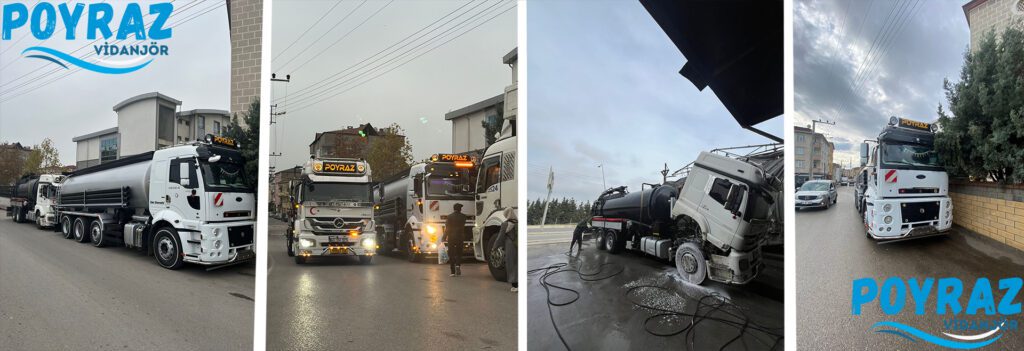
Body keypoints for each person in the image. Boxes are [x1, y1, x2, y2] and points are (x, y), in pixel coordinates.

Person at [494, 207, 518, 292]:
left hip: (510, 246)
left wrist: (495, 247)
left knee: (511, 264)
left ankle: (515, 285)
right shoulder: (518, 222)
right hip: (518, 245)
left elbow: (500, 237)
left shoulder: (505, 224)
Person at [442, 203, 467, 276]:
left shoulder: (449, 217)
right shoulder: (464, 217)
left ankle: (452, 272)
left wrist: (444, 237)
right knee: (459, 253)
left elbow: (447, 228)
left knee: (451, 254)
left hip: (451, 237)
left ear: (454, 208)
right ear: (460, 209)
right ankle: (458, 265)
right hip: (460, 237)